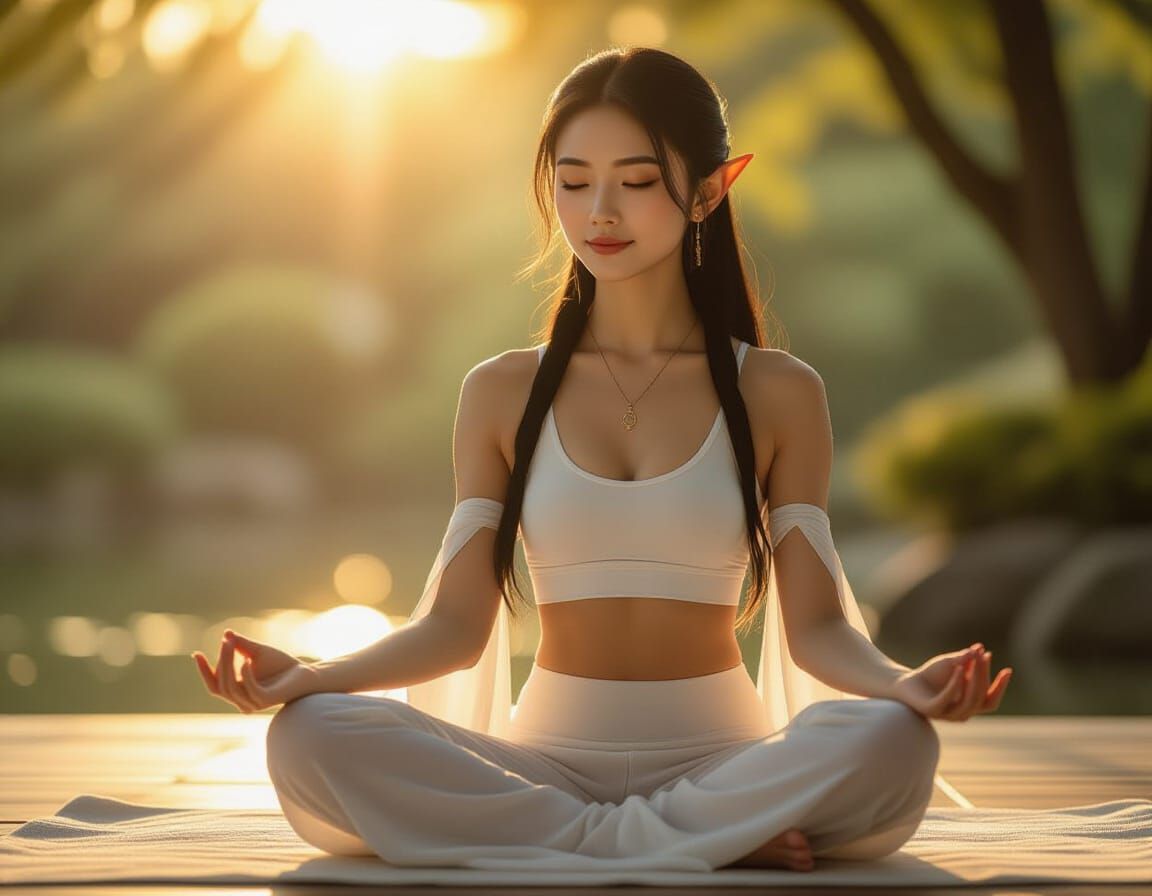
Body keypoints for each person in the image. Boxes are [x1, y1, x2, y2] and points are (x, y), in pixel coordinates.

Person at [193, 46, 1012, 873]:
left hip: (724, 764)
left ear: (711, 189)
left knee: (896, 741)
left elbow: (819, 629)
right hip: (543, 768)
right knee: (307, 735)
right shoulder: (501, 390)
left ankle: (625, 834)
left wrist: (903, 683)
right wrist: (314, 675)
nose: (601, 212)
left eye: (638, 180)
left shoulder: (778, 390)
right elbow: (455, 627)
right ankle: (700, 839)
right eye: (575, 181)